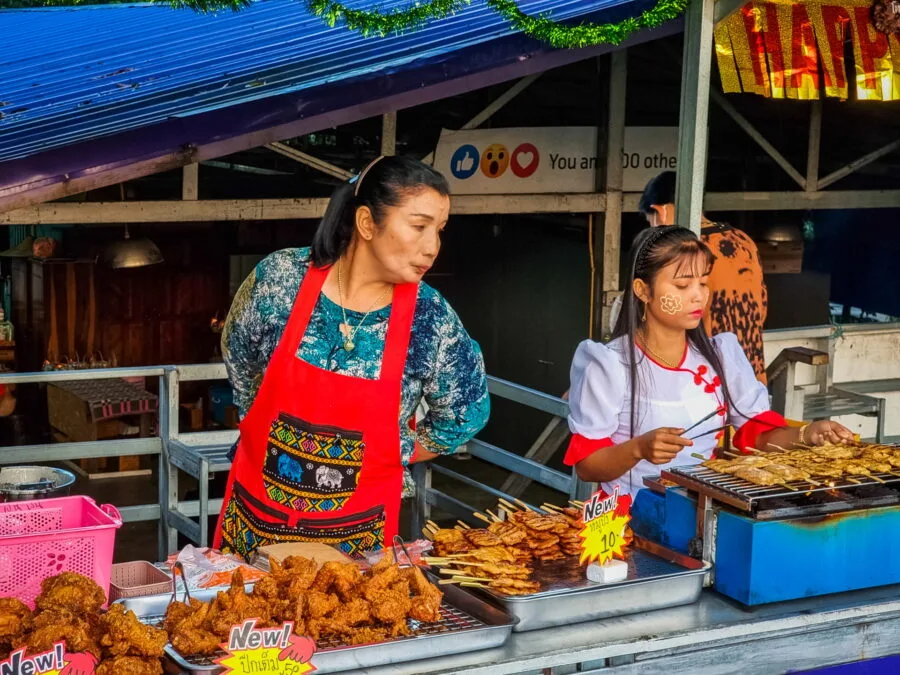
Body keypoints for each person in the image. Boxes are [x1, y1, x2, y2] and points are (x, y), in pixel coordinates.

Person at [214, 156, 490, 560]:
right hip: (255, 519)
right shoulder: (280, 281)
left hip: (356, 542)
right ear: (366, 223)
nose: (433, 247)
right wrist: (261, 421)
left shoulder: (429, 319)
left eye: (439, 230)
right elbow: (238, 353)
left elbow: (467, 413)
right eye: (418, 226)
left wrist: (394, 449)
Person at [565, 225, 852, 498]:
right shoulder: (610, 365)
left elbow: (757, 435)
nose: (698, 296)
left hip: (702, 509)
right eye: (681, 285)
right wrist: (638, 449)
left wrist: (807, 434)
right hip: (627, 518)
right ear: (642, 290)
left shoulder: (720, 355)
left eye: (703, 283)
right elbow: (587, 465)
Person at [611, 171, 769, 382]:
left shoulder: (683, 253)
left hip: (705, 380)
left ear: (661, 212)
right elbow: (762, 306)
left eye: (651, 222)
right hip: (751, 375)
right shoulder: (743, 240)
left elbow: (661, 327)